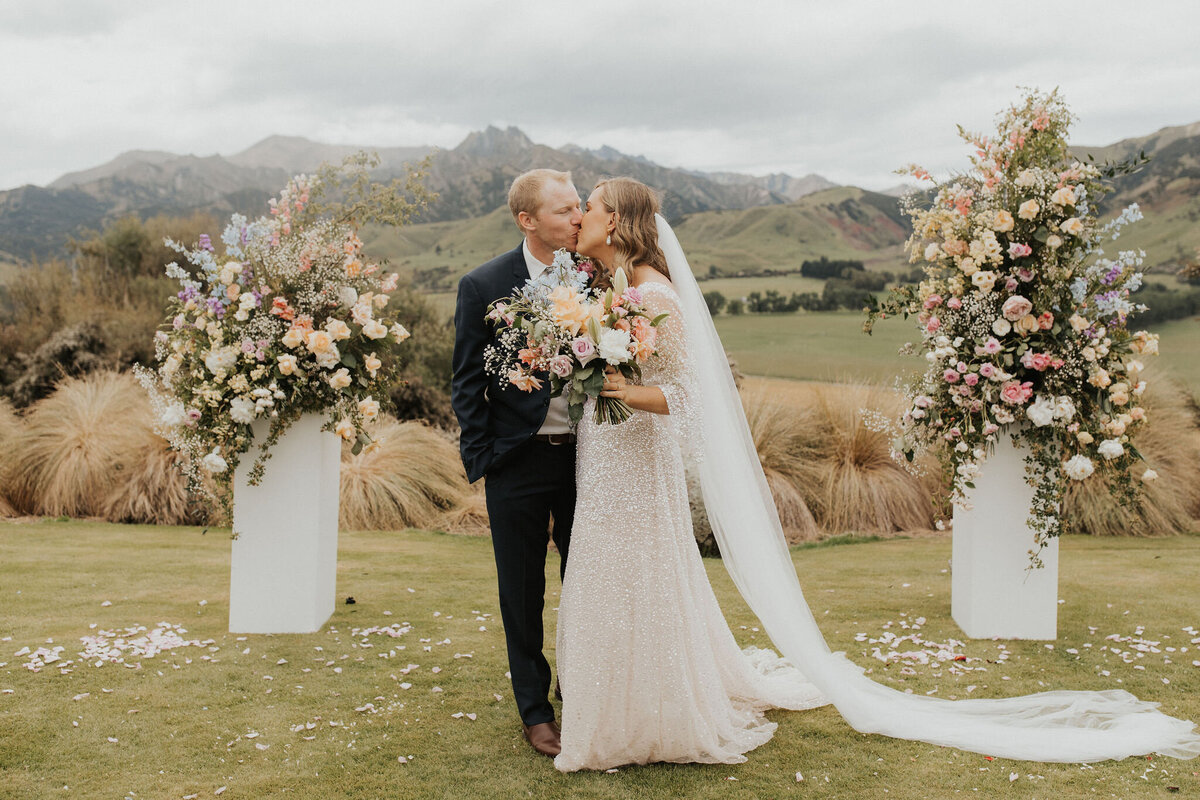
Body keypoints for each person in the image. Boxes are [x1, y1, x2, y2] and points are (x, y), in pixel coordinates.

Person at [553, 177, 1200, 772]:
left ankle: (648, 716)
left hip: (637, 460)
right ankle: (615, 706)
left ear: (618, 222)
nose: (581, 214)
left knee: (639, 573)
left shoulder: (654, 293)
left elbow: (691, 396)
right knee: (612, 570)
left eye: (593, 206)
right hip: (611, 455)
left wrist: (614, 390)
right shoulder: (611, 290)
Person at [451, 168, 583, 757]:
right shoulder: (482, 285)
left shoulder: (597, 276)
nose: (578, 218)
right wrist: (484, 459)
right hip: (516, 462)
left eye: (580, 207)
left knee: (587, 585)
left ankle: (584, 694)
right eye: (564, 210)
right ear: (528, 220)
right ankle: (536, 711)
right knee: (521, 593)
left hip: (590, 460)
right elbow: (466, 383)